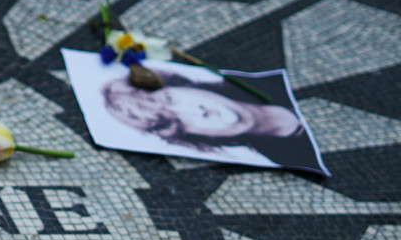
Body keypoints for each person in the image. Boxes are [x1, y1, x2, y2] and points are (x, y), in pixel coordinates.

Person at [99, 70, 320, 169]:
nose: (198, 111)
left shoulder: (267, 83)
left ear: (183, 85)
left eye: (169, 98)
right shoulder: (286, 158)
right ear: (194, 136)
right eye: (178, 121)